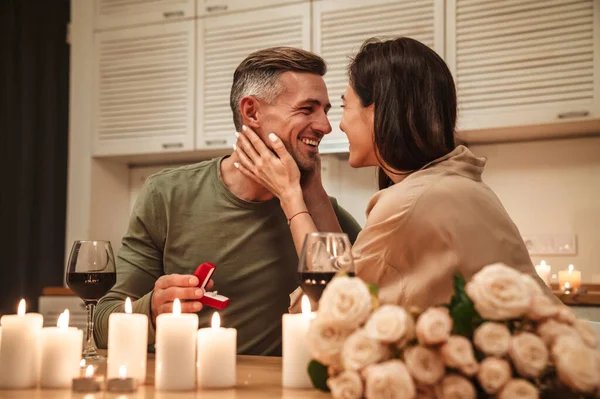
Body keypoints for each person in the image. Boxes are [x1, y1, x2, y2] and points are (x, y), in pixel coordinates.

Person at [233, 37, 556, 309]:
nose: (335, 125)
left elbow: (334, 300)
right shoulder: (449, 184)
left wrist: (291, 195)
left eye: (344, 107)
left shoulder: (414, 202)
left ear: (379, 111)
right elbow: (347, 272)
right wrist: (313, 189)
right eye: (308, 109)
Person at [94, 47, 362, 356]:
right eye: (307, 109)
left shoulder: (323, 214)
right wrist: (152, 308)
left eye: (326, 110)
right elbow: (103, 322)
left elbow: (353, 313)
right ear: (251, 112)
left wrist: (308, 192)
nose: (326, 126)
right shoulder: (165, 195)